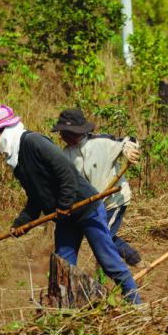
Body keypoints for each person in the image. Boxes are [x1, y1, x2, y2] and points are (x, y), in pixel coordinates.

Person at [0, 105, 141, 304]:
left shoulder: (33, 142)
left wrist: (63, 204)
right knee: (62, 267)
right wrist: (21, 223)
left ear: (1, 132)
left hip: (86, 209)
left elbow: (67, 174)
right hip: (65, 218)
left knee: (109, 262)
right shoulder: (18, 163)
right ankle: (64, 313)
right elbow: (36, 198)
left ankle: (136, 306)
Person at [52, 109, 144, 268]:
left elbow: (129, 140)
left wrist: (129, 150)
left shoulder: (102, 143)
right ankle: (131, 260)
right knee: (102, 237)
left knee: (104, 237)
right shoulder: (66, 154)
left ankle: (133, 260)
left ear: (73, 131)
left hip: (113, 200)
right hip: (90, 206)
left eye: (63, 132)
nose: (61, 136)